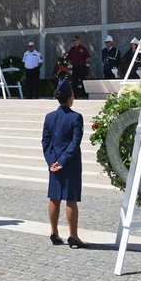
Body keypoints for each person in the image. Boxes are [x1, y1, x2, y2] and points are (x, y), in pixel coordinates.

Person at [42, 80, 88, 248]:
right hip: (70, 163)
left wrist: (52, 161)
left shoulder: (49, 117)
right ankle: (73, 236)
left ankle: (54, 232)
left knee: (54, 197)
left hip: (54, 162)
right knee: (71, 200)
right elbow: (75, 142)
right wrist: (63, 161)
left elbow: (46, 142)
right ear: (71, 97)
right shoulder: (76, 117)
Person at [67, 35, 91, 100]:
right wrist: (72, 62)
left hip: (81, 67)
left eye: (76, 40)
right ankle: (74, 96)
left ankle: (85, 95)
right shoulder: (72, 49)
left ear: (79, 41)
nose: (75, 41)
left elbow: (88, 57)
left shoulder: (83, 48)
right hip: (75, 67)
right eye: (73, 40)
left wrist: (84, 63)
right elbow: (68, 58)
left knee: (83, 81)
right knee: (74, 82)